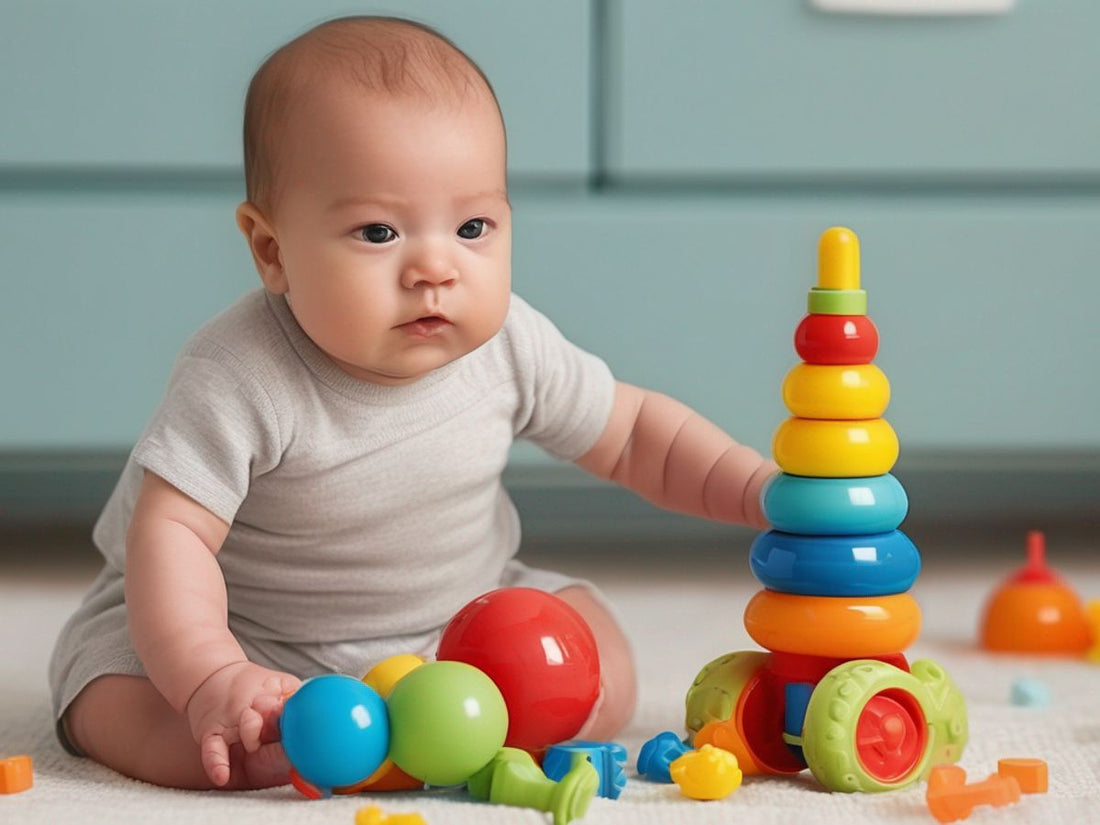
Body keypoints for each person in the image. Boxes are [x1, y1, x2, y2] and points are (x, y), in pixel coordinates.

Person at [48, 15, 776, 791]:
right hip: (250, 643)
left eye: (472, 227)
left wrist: (763, 491)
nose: (434, 267)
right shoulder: (239, 373)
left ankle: (455, 719)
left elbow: (635, 435)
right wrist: (208, 675)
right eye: (377, 231)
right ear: (271, 249)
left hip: (459, 632)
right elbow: (173, 538)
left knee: (597, 654)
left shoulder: (508, 344)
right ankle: (277, 730)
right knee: (133, 709)